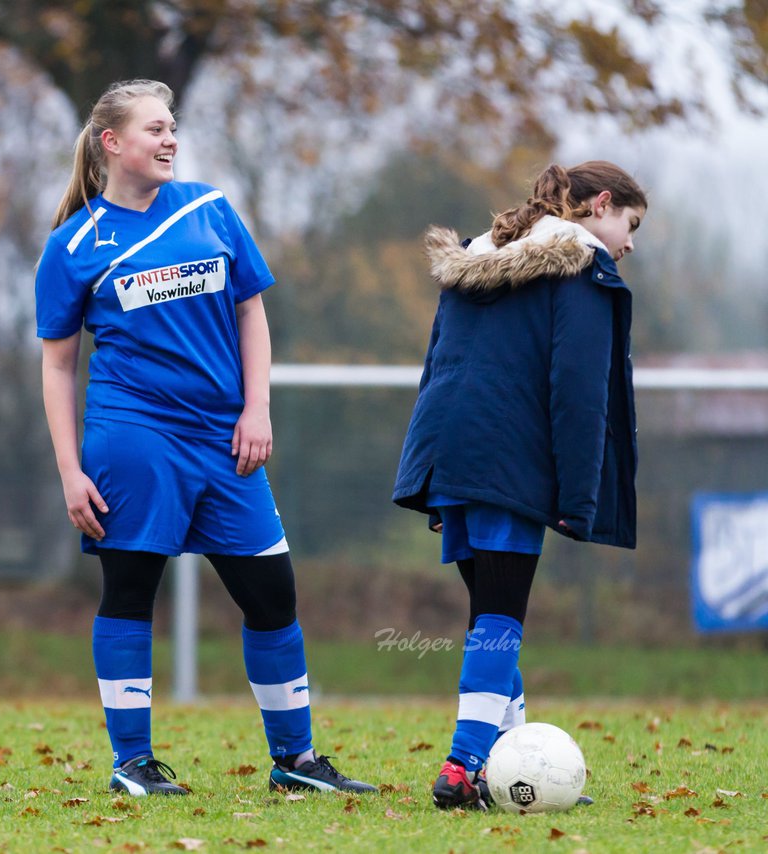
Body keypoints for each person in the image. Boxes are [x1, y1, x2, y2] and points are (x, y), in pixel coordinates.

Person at [35, 79, 376, 798]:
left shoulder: (210, 209)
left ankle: (296, 761)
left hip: (225, 437)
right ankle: (132, 764)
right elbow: (58, 364)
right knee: (131, 589)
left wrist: (258, 410)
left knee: (272, 594)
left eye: (173, 127)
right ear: (112, 143)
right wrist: (70, 469)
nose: (169, 140)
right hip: (135, 435)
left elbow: (252, 314)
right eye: (155, 129)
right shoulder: (73, 245)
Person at [391, 161, 647, 809]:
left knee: (490, 617)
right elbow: (579, 393)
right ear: (602, 205)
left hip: (450, 450)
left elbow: (438, 364)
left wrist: (429, 476)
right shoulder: (582, 270)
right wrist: (577, 497)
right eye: (631, 224)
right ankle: (462, 765)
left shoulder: (478, 261)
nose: (630, 242)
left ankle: (511, 763)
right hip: (510, 457)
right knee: (500, 620)